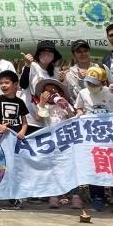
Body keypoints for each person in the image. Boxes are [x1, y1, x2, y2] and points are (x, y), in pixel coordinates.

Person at [74, 72, 113, 213]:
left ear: (103, 82)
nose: (91, 86)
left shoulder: (110, 92)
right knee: (95, 167)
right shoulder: (82, 92)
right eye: (89, 82)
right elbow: (79, 107)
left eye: (95, 83)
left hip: (110, 136)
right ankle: (97, 199)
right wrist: (80, 113)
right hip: (91, 137)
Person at [32, 78, 82, 210]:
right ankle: (54, 195)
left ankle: (75, 196)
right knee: (53, 168)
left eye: (53, 90)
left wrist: (65, 106)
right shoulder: (43, 106)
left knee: (70, 167)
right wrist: (42, 103)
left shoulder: (63, 103)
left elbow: (72, 118)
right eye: (47, 91)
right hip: (51, 142)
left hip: (66, 140)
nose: (51, 93)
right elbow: (38, 118)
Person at [0, 70, 28, 209]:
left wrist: (22, 132)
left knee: (13, 168)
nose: (3, 85)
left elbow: (24, 122)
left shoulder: (20, 102)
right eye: (1, 83)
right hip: (0, 139)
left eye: (7, 82)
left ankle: (13, 196)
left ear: (15, 84)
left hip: (15, 140)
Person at [19, 40, 62, 133]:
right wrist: (27, 65)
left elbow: (56, 92)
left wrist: (62, 80)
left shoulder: (55, 71)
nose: (46, 55)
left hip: (46, 118)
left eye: (49, 53)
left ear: (54, 56)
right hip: (29, 116)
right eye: (43, 53)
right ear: (38, 54)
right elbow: (23, 84)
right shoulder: (32, 66)